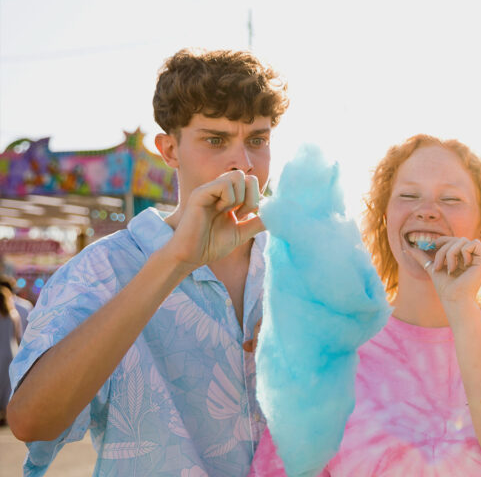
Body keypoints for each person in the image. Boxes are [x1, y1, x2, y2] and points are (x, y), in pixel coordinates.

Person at [7, 48, 290, 475]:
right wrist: (173, 262)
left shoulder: (294, 264)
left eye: (258, 140)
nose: (243, 163)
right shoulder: (103, 269)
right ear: (170, 150)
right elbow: (32, 422)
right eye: (214, 140)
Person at [249, 134, 481, 476]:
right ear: (384, 218)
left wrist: (459, 306)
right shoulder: (332, 353)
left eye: (451, 199)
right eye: (408, 195)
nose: (427, 211)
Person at [1, 275, 24, 426]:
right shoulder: (13, 315)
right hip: (11, 352)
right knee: (8, 386)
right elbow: (18, 336)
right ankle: (6, 414)